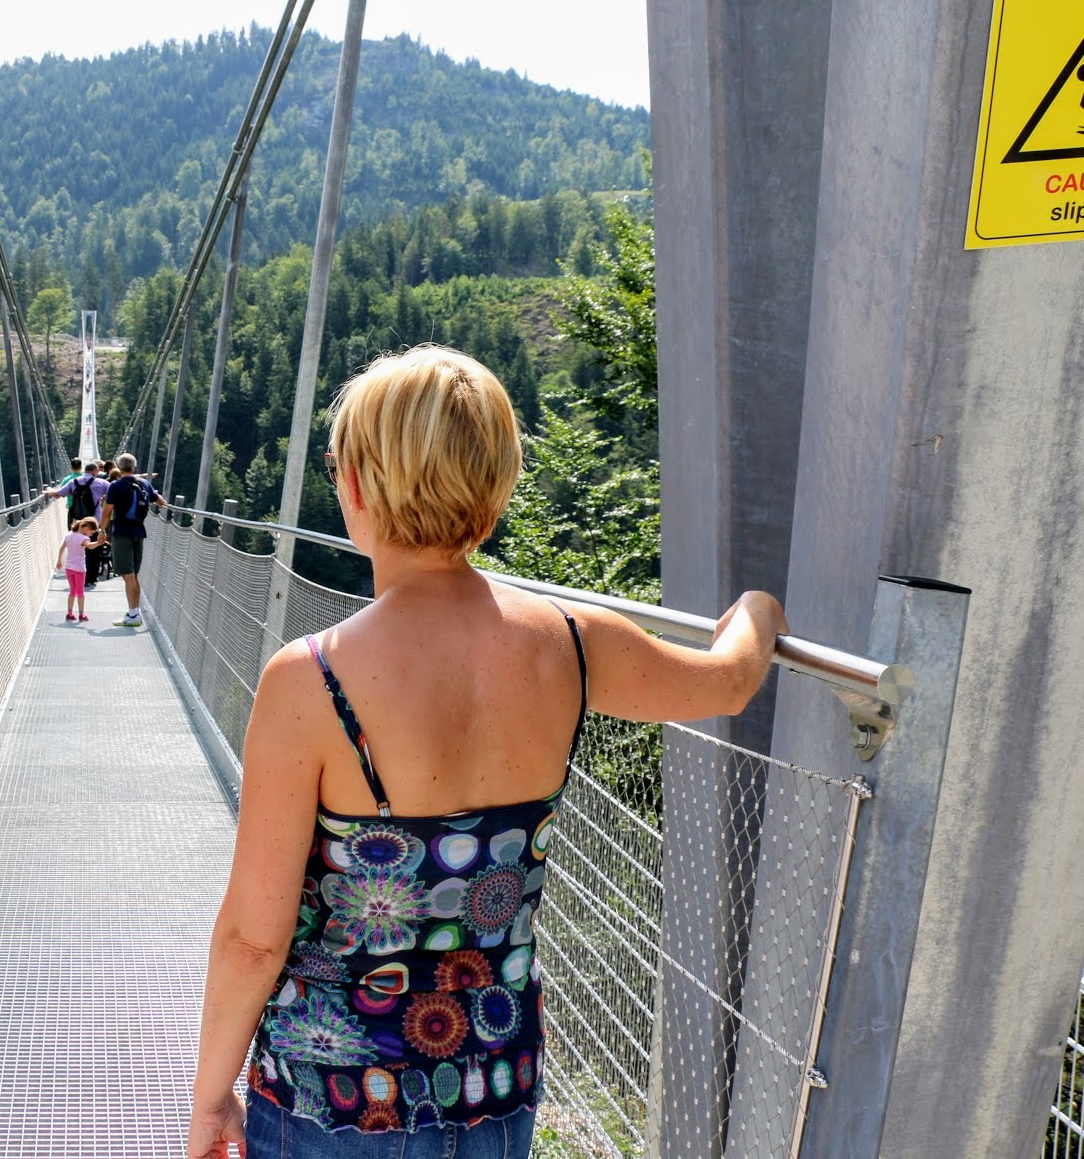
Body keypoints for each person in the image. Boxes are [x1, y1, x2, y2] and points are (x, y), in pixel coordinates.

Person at [185, 345, 787, 1159]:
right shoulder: (574, 644)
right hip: (493, 1089)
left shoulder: (312, 679)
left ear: (358, 484)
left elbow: (253, 941)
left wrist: (210, 1094)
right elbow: (730, 680)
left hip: (327, 1101)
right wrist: (757, 607)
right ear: (495, 488)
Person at [104, 452, 164, 627]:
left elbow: (107, 512)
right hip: (139, 533)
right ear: (134, 467)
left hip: (122, 533)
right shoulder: (144, 483)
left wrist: (102, 531)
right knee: (134, 576)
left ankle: (133, 615)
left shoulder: (115, 486)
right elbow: (160, 501)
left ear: (118, 467)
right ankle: (134, 613)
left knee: (128, 576)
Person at [59, 516, 107, 622]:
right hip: (79, 568)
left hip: (69, 567)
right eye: (91, 532)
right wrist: (99, 543)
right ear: (86, 528)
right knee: (80, 592)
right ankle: (81, 614)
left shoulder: (69, 535)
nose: (91, 534)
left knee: (72, 591)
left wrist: (59, 561)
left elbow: (62, 548)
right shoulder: (83, 538)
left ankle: (70, 613)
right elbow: (89, 546)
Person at [86, 463, 115, 587]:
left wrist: (51, 492)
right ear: (95, 471)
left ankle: (84, 576)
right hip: (98, 521)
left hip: (79, 521)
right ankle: (93, 576)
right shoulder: (105, 485)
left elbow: (61, 492)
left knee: (83, 549)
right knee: (96, 550)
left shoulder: (74, 481)